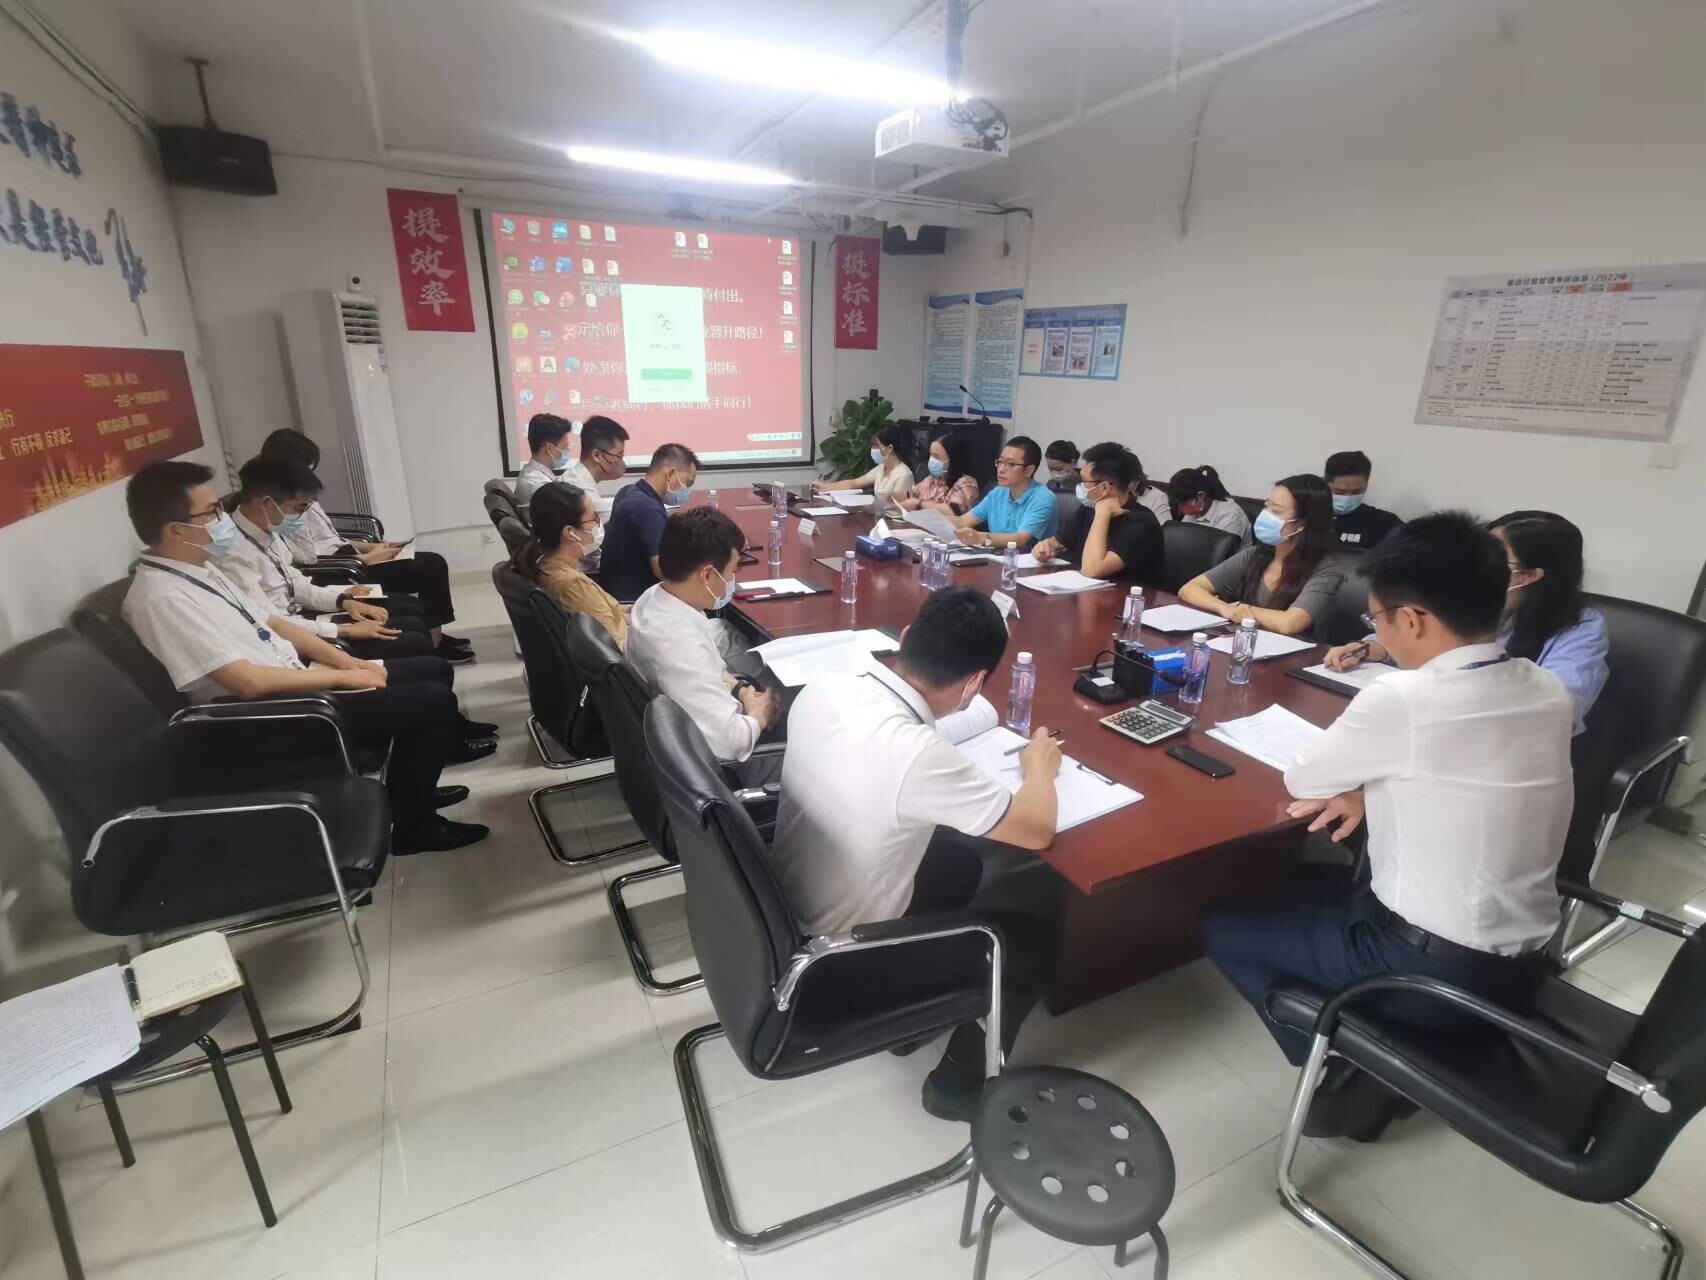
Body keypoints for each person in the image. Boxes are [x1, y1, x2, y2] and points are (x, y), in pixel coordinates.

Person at [1200, 513, 1573, 1140]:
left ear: (1414, 620)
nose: (1378, 633)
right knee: (1291, 887)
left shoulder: (1402, 697)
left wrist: (1357, 782)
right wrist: (1370, 788)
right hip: (1523, 966)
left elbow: (1303, 778)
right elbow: (1469, 771)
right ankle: (1368, 1046)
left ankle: (1358, 1065)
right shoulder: (1546, 687)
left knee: (1220, 925)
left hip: (1434, 977)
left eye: (1377, 619)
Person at [767, 587, 1062, 1121]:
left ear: (905, 639)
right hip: (836, 961)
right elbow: (1037, 828)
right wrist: (1040, 768)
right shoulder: (918, 754)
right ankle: (957, 1089)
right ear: (975, 683)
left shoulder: (828, 686)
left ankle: (912, 1025)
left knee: (959, 861)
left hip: (783, 912)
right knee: (1028, 936)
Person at [121, 462, 492, 854]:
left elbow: (273, 622)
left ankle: (408, 796)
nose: (223, 519)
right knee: (431, 702)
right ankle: (413, 826)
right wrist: (341, 679)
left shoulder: (202, 570)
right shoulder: (162, 598)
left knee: (431, 672)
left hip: (296, 680)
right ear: (176, 530)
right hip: (271, 715)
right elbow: (247, 682)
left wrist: (349, 663)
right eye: (212, 513)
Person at [1325, 510, 1608, 735]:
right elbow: (1422, 632)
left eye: (1498, 559)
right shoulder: (1471, 595)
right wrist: (1374, 647)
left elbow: (1559, 709)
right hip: (1429, 727)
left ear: (1530, 575)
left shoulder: (1583, 626)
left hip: (1503, 748)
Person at [257, 428, 470, 663]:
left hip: (345, 558)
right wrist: (366, 560)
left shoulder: (299, 499)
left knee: (431, 563)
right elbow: (308, 559)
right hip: (338, 568)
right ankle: (433, 641)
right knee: (430, 568)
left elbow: (330, 538)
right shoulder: (281, 511)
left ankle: (434, 637)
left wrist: (372, 547)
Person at [219, 456, 434, 660]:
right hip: (292, 642)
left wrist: (342, 601)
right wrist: (343, 629)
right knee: (415, 640)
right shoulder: (233, 553)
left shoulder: (267, 530)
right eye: (300, 508)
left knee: (413, 616)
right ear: (267, 504)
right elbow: (270, 622)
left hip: (304, 621)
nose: (302, 516)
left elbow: (296, 583)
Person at [626, 506, 780, 766]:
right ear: (708, 574)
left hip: (677, 734)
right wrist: (759, 715)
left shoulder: (652, 598)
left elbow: (710, 668)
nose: (732, 579)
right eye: (732, 570)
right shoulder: (680, 645)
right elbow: (731, 743)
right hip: (713, 766)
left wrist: (741, 690)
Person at [1178, 474, 1342, 637]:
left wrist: (1244, 610)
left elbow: (1290, 623)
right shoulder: (1255, 555)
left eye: (1276, 511)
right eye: (1266, 506)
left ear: (1301, 524)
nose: (1265, 515)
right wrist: (1225, 608)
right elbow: (1189, 589)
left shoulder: (1327, 570)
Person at [515, 481, 628, 649]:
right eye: (594, 519)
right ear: (570, 532)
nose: (599, 525)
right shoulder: (573, 586)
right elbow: (616, 648)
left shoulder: (545, 566)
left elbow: (607, 612)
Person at [1032, 442, 1163, 582]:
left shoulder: (1142, 522)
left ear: (1104, 488)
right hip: (1085, 589)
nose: (1080, 486)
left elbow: (1092, 570)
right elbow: (1059, 542)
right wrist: (1045, 547)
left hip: (1127, 593)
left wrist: (1102, 514)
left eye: (1084, 481)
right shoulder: (1087, 509)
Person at [600, 442, 699, 602]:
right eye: (687, 483)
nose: (687, 490)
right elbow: (662, 571)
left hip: (613, 591)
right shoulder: (648, 509)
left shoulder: (627, 491)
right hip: (635, 600)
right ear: (670, 473)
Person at [938, 436, 1059, 550]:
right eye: (1000, 462)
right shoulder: (997, 493)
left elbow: (1020, 540)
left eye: (1010, 464)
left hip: (1030, 561)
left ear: (1029, 470)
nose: (1001, 469)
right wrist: (933, 520)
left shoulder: (1043, 498)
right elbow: (963, 521)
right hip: (996, 557)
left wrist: (981, 539)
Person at [554, 415, 628, 575]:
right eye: (619, 456)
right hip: (588, 573)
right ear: (597, 456)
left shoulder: (576, 476)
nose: (621, 462)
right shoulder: (580, 490)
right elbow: (623, 511)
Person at [813, 422, 915, 502]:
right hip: (878, 516)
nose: (873, 449)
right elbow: (853, 483)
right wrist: (824, 487)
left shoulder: (904, 475)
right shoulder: (881, 468)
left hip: (894, 521)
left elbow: (897, 506)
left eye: (876, 445)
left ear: (889, 448)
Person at [1324, 450, 1402, 550]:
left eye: (1356, 492)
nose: (1348, 498)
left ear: (1366, 486)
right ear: (1326, 484)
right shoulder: (1307, 517)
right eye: (1340, 492)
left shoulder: (1385, 523)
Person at [899, 432, 979, 515]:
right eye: (930, 455)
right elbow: (912, 494)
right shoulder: (933, 479)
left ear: (952, 459)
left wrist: (919, 504)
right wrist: (892, 497)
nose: (931, 460)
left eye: (936, 456)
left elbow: (953, 512)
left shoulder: (967, 484)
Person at [1170, 465, 1251, 546]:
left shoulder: (1230, 515)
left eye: (1183, 503)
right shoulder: (1194, 510)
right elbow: (1182, 539)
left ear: (1201, 495)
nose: (1180, 507)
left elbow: (1222, 550)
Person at [514, 413, 574, 509]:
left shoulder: (529, 472)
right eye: (564, 447)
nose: (567, 451)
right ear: (549, 448)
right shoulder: (541, 486)